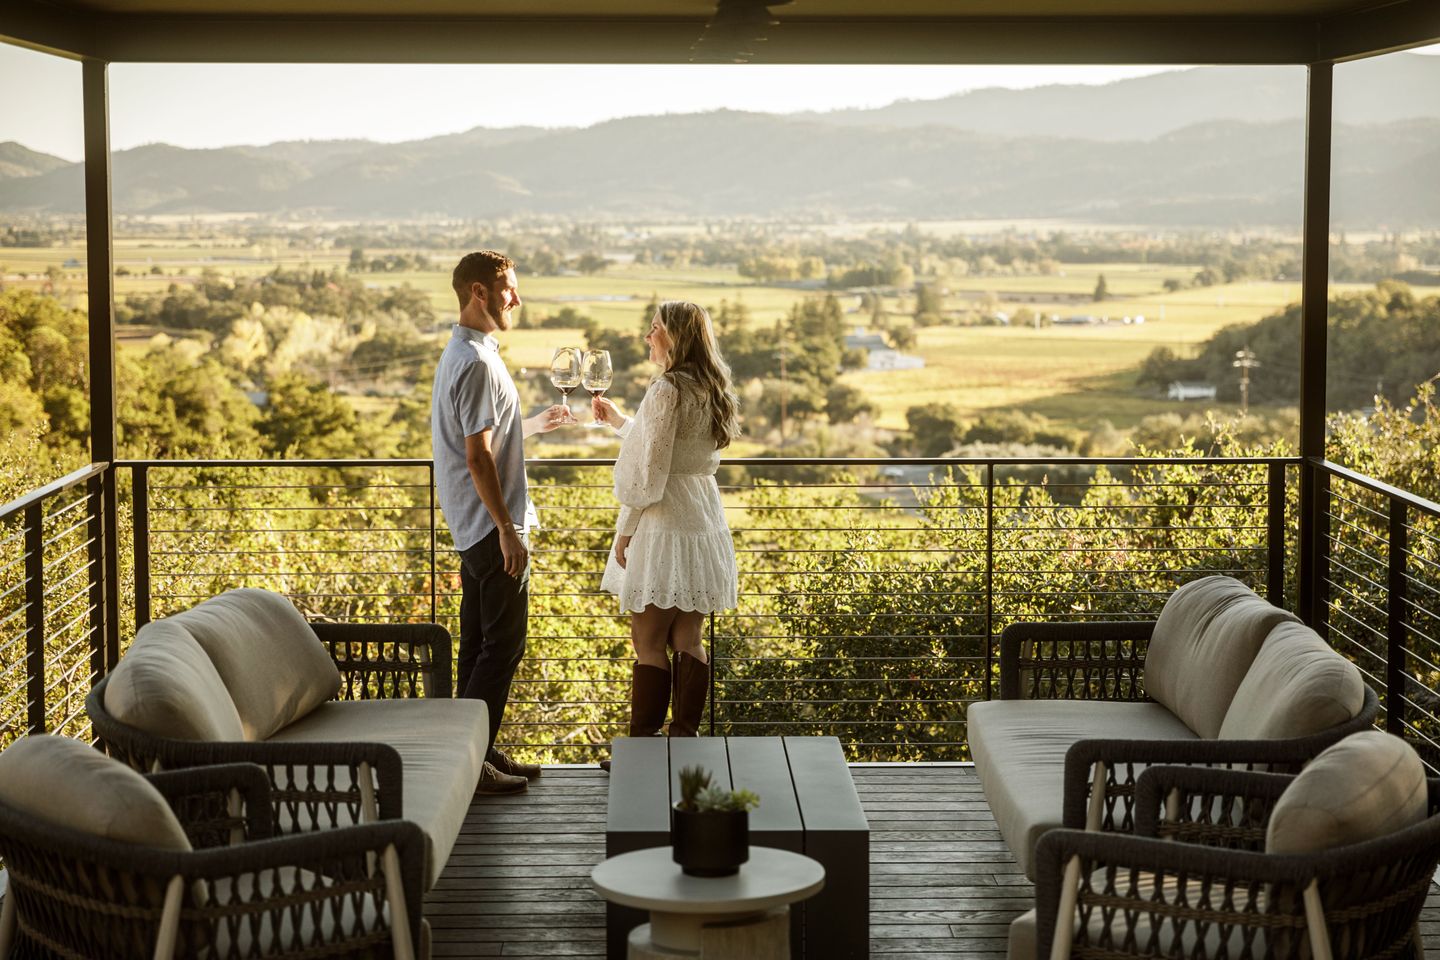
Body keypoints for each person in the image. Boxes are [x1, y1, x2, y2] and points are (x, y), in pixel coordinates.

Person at [432, 250, 569, 795]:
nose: (517, 297)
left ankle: (475, 751)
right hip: (492, 528)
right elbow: (477, 457)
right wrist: (508, 529)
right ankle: (471, 761)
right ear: (479, 293)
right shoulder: (478, 362)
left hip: (473, 525)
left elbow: (487, 437)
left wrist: (531, 424)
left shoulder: (466, 352)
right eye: (509, 288)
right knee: (504, 644)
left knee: (476, 644)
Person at [592, 300, 740, 745]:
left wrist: (627, 529)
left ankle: (643, 748)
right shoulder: (711, 386)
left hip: (663, 518)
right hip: (701, 512)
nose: (647, 336)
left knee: (648, 639)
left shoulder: (666, 388)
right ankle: (683, 739)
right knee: (689, 637)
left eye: (653, 328)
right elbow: (668, 447)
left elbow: (649, 470)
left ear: (674, 336)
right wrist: (621, 422)